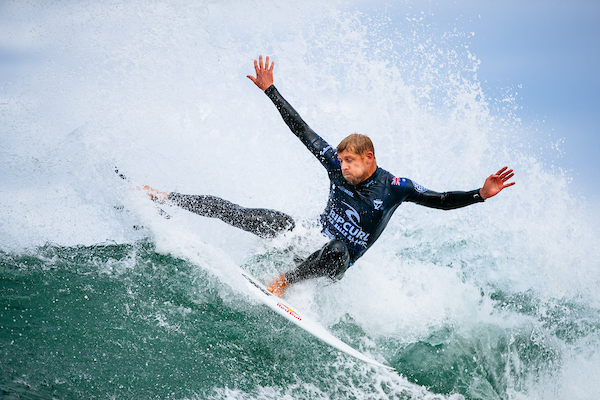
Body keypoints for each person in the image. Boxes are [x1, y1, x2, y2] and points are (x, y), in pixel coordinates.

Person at [144, 55, 515, 297]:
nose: (343, 168)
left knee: (338, 248)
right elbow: (301, 130)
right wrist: (271, 90)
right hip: (309, 240)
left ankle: (282, 284)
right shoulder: (336, 165)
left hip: (335, 263)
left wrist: (479, 194)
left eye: (350, 162)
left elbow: (440, 200)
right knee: (260, 217)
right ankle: (169, 198)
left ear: (368, 158)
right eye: (340, 161)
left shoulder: (395, 187)